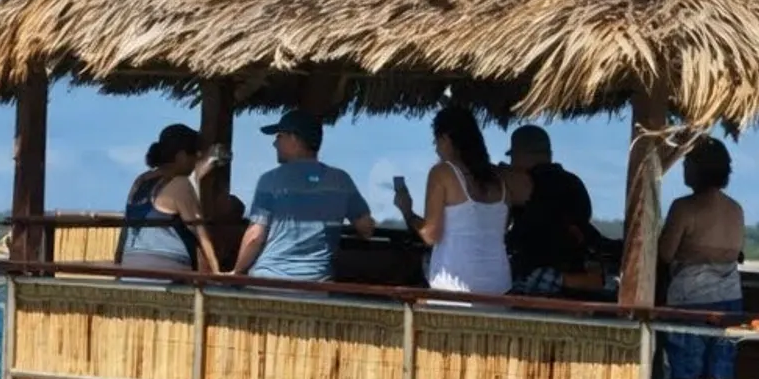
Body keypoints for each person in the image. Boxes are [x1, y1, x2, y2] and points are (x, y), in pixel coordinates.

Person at [658, 137, 746, 379]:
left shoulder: (684, 208)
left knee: (686, 372)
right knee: (721, 372)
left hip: (690, 301)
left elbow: (665, 253)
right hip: (730, 299)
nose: (683, 168)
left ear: (697, 169)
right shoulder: (735, 209)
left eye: (687, 162)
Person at [231, 110, 374, 282]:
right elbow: (366, 229)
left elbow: (255, 236)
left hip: (270, 280)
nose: (274, 144)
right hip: (317, 283)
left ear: (293, 139)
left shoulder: (271, 181)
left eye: (279, 137)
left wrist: (237, 272)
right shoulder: (340, 181)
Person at [393, 105, 512, 294]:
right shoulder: (500, 178)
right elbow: (497, 230)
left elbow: (430, 235)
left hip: (455, 288)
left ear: (445, 139)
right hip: (499, 287)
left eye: (436, 142)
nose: (436, 150)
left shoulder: (443, 172)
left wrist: (407, 212)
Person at [503, 124, 595, 295]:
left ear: (520, 155)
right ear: (549, 154)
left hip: (536, 279)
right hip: (572, 275)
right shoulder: (574, 183)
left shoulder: (526, 185)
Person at [118, 123, 221, 273]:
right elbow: (200, 232)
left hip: (130, 263)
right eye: (194, 154)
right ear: (181, 156)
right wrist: (217, 272)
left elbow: (126, 225)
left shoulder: (140, 181)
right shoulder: (181, 183)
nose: (196, 160)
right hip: (166, 266)